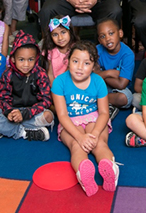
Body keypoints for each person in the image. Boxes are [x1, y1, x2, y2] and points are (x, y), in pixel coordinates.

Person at [51, 40, 119, 196]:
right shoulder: (59, 82)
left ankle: (110, 167)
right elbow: (62, 115)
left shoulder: (98, 82)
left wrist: (94, 133)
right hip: (70, 121)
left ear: (94, 66)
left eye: (86, 63)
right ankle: (84, 172)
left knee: (99, 143)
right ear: (67, 62)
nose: (80, 67)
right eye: (75, 61)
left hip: (94, 118)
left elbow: (103, 113)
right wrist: (80, 137)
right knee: (77, 145)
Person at [0, 31, 54, 141]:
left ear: (36, 59)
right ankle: (23, 132)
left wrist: (26, 113)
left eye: (30, 59)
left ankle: (4, 129)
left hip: (31, 112)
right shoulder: (7, 75)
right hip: (11, 112)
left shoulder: (41, 74)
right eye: (21, 60)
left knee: (49, 117)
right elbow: (1, 98)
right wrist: (9, 112)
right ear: (13, 59)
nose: (26, 64)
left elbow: (46, 100)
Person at [95, 18, 135, 120]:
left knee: (126, 98)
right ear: (99, 40)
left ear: (120, 33)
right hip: (99, 86)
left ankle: (98, 102)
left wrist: (101, 73)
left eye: (111, 33)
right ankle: (108, 104)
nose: (108, 39)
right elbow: (92, 76)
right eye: (103, 36)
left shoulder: (128, 54)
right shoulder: (96, 51)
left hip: (118, 90)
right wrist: (109, 73)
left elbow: (122, 84)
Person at [42, 15, 79, 86]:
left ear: (70, 32)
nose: (60, 38)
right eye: (55, 34)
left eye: (63, 32)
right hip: (56, 85)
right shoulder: (50, 51)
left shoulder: (76, 48)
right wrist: (55, 90)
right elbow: (50, 74)